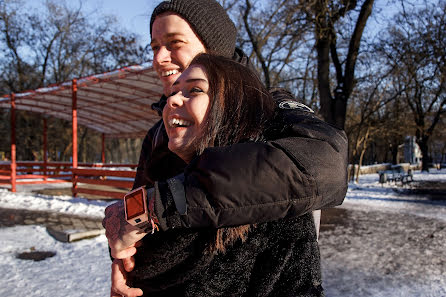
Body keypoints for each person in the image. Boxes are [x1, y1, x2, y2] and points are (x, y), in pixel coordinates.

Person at [103, 0, 348, 295]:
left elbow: (325, 165)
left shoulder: (268, 111)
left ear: (213, 48)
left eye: (173, 43)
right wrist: (123, 262)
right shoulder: (159, 134)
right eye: (154, 47)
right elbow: (134, 220)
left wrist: (164, 203)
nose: (159, 58)